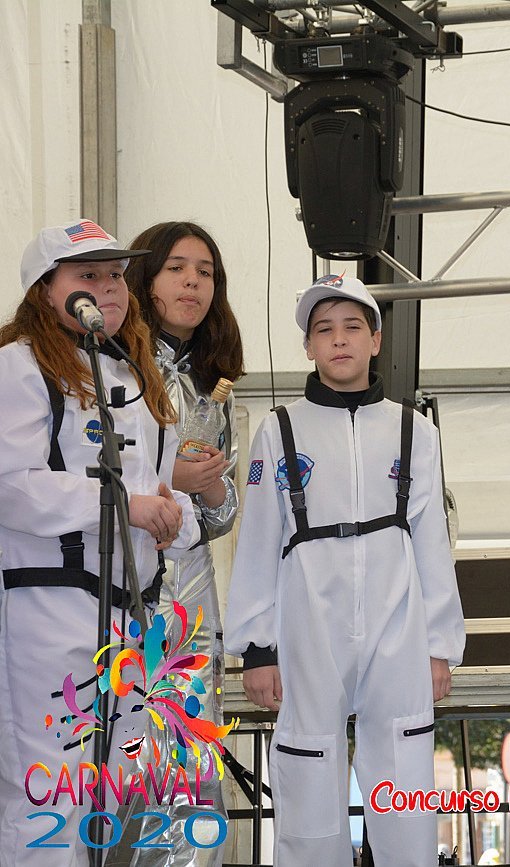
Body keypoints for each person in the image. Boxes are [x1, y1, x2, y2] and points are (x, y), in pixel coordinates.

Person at [225, 274, 464, 866]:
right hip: (308, 623)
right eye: (324, 330)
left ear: (376, 340)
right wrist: (257, 649)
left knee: (405, 776)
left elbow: (432, 543)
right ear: (308, 346)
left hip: (398, 624)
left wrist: (439, 646)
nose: (339, 340)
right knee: (308, 774)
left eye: (353, 327)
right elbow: (257, 541)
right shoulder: (278, 429)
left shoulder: (415, 431)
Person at [0, 219, 199, 866]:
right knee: (49, 794)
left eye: (116, 274)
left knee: (108, 796)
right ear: (44, 290)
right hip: (50, 607)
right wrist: (120, 507)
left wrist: (173, 517)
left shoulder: (137, 376)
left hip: (130, 615)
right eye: (87, 275)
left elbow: (161, 492)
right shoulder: (18, 365)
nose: (109, 287)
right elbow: (11, 486)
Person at [113, 221, 245, 864]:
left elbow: (220, 518)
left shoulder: (215, 387)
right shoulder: (111, 370)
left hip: (191, 603)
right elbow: (92, 478)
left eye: (205, 272)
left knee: (191, 774)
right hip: (120, 597)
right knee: (119, 767)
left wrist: (213, 488)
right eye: (176, 268)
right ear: (144, 280)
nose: (193, 282)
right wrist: (171, 475)